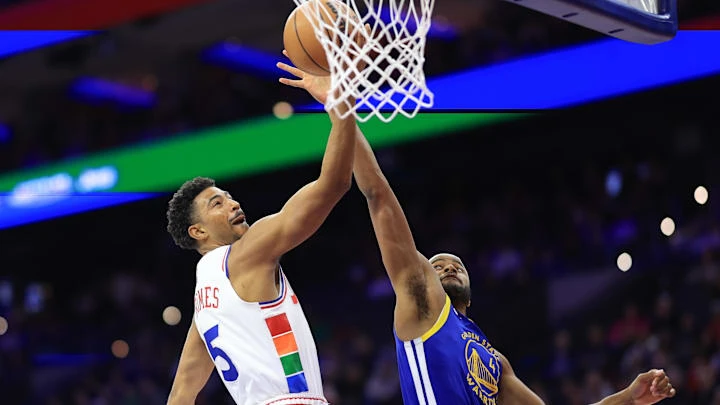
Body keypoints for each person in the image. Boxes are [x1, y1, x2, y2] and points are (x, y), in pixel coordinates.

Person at [277, 59, 677, 405]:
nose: (448, 267)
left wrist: (627, 397)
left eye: (457, 266)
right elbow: (377, 193)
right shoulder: (420, 297)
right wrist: (339, 106)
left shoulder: (494, 362)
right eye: (439, 265)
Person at [164, 85, 358, 405]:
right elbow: (334, 184)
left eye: (228, 196)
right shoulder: (243, 253)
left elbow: (182, 392)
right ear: (198, 231)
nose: (233, 204)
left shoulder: (204, 303)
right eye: (217, 204)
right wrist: (341, 102)